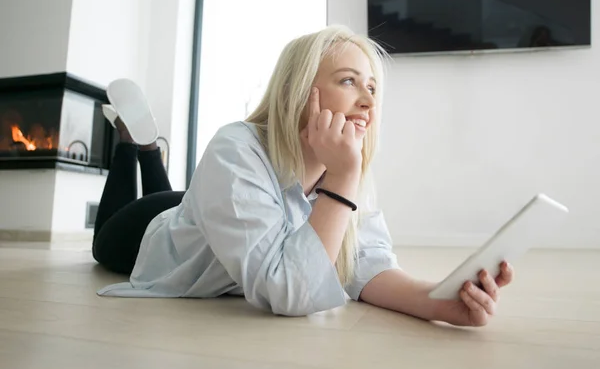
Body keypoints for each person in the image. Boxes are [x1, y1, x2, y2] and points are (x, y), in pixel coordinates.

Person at [93, 25, 514, 326]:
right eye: (349, 81)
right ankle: (132, 145)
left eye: (372, 88)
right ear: (298, 91)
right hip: (152, 231)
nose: (368, 100)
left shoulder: (349, 165)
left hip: (227, 210)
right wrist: (341, 181)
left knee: (191, 204)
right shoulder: (235, 147)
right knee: (103, 238)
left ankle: (146, 146)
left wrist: (438, 302)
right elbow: (288, 291)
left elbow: (364, 263)